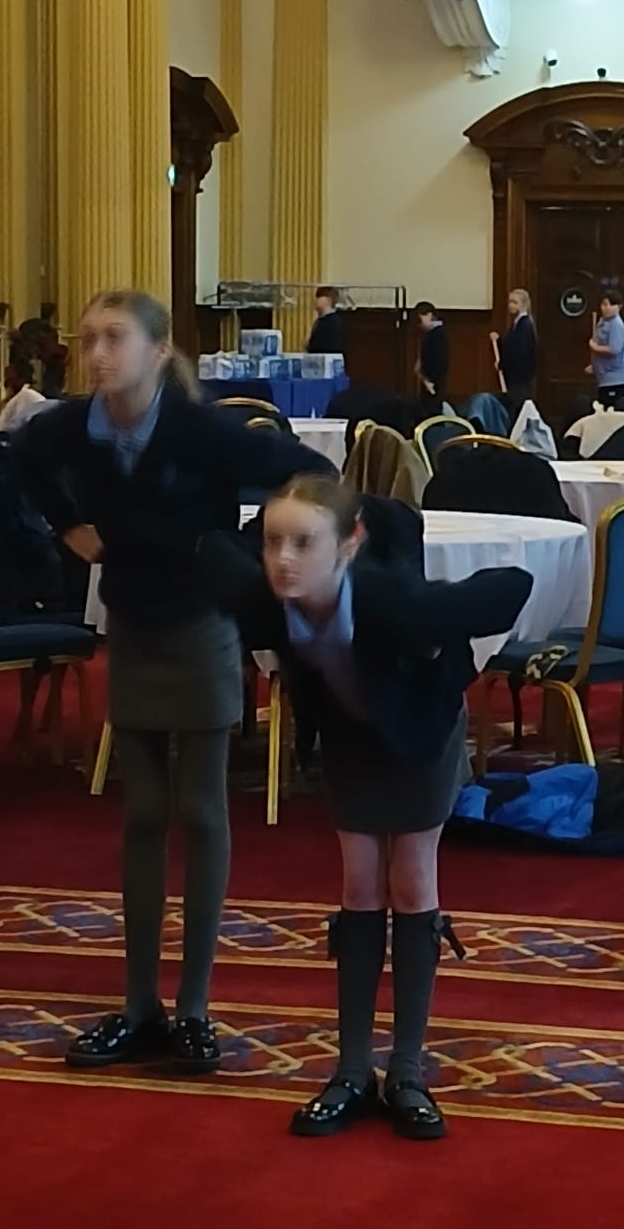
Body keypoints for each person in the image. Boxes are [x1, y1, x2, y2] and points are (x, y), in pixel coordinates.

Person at [12, 289, 333, 1073]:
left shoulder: (201, 429)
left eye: (114, 338)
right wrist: (67, 524)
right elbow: (15, 456)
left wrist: (249, 553)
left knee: (201, 808)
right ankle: (138, 1006)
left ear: (158, 352)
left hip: (199, 625)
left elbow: (312, 472)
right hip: (132, 623)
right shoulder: (75, 427)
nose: (96, 354)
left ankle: (193, 1007)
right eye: (89, 338)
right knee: (143, 812)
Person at [202, 476, 531, 1141]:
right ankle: (352, 1069)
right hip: (352, 734)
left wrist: (440, 623)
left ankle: (406, 1071)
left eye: (304, 543)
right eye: (272, 542)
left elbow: (512, 586)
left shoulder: (392, 599)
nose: (284, 559)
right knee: (358, 883)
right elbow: (210, 549)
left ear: (349, 545)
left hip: (419, 733)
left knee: (411, 880)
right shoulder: (267, 596)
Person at [491, 288, 537, 421]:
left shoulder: (525, 325)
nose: (511, 305)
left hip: (519, 376)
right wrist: (499, 341)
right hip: (514, 375)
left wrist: (503, 364)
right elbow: (511, 345)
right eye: (510, 302)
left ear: (523, 305)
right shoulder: (517, 324)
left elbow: (518, 351)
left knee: (516, 408)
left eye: (515, 302)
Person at [588, 290, 624, 407]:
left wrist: (594, 347)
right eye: (604, 304)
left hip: (617, 378)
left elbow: (614, 350)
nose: (606, 308)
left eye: (610, 305)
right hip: (605, 377)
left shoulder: (616, 324)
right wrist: (594, 365)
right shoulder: (603, 322)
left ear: (619, 307)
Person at [413, 302, 450, 401]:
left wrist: (429, 379)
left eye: (420, 319)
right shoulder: (432, 334)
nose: (419, 324)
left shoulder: (438, 334)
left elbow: (439, 360)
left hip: (433, 380)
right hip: (429, 379)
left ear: (429, 315)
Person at [308, 287, 346, 357]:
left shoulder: (333, 322)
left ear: (328, 299)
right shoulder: (320, 320)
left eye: (319, 297)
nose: (316, 300)